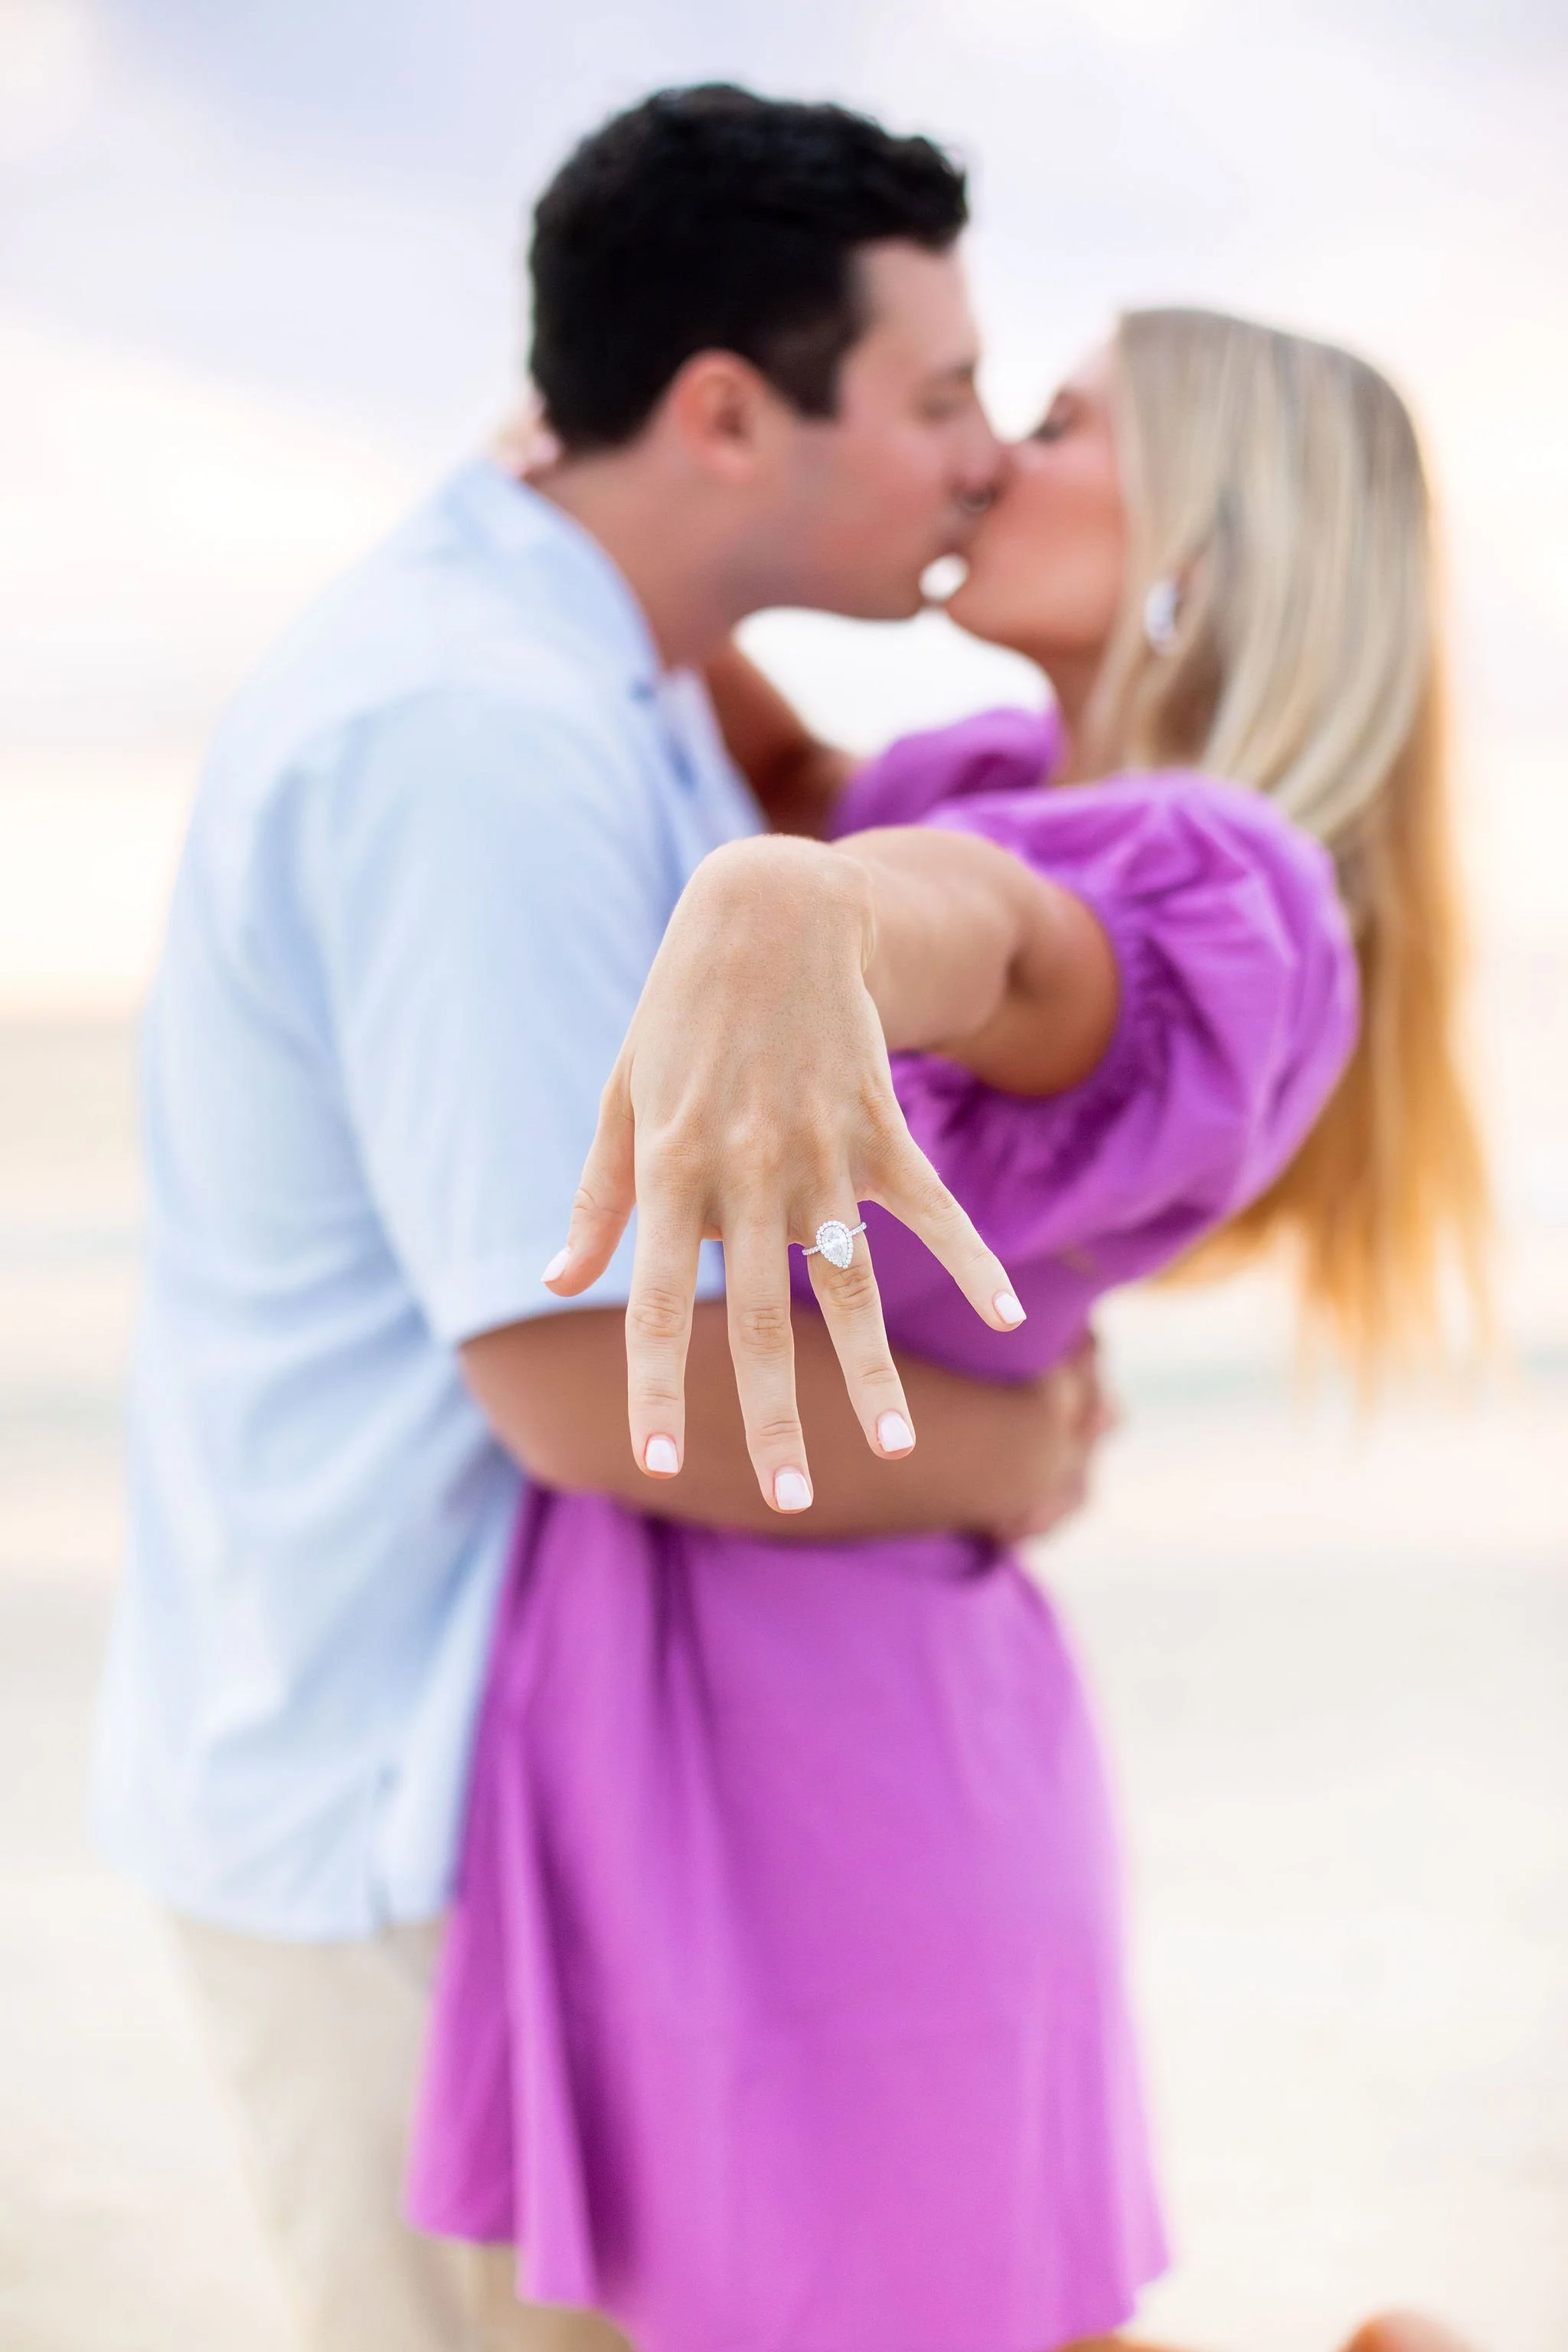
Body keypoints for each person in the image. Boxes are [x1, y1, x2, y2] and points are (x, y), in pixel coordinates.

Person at [90, 85, 1116, 2352]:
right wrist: (1013, 1456)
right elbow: (575, 1378)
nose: (972, 458)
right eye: (938, 397)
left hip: (485, 1778)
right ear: (732, 412)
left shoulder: (600, 644)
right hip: (394, 1820)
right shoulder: (477, 731)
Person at [407, 309, 1488, 2352]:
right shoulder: (998, 778)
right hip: (729, 1682)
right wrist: (615, 489)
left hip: (839, 1747)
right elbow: (827, 783)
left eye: (1060, 424)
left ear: (1209, 528)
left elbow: (985, 940)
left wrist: (804, 912)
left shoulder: (1220, 889)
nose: (990, 456)